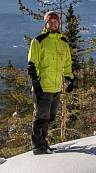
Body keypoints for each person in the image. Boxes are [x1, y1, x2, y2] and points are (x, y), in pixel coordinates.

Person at [27, 11, 74, 155]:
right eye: (50, 21)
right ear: (46, 24)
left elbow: (67, 63)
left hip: (56, 87)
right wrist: (35, 81)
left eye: (55, 21)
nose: (53, 24)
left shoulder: (63, 42)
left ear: (59, 24)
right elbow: (32, 63)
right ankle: (38, 146)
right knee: (41, 117)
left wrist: (70, 78)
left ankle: (44, 143)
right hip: (43, 85)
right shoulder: (39, 41)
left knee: (50, 117)